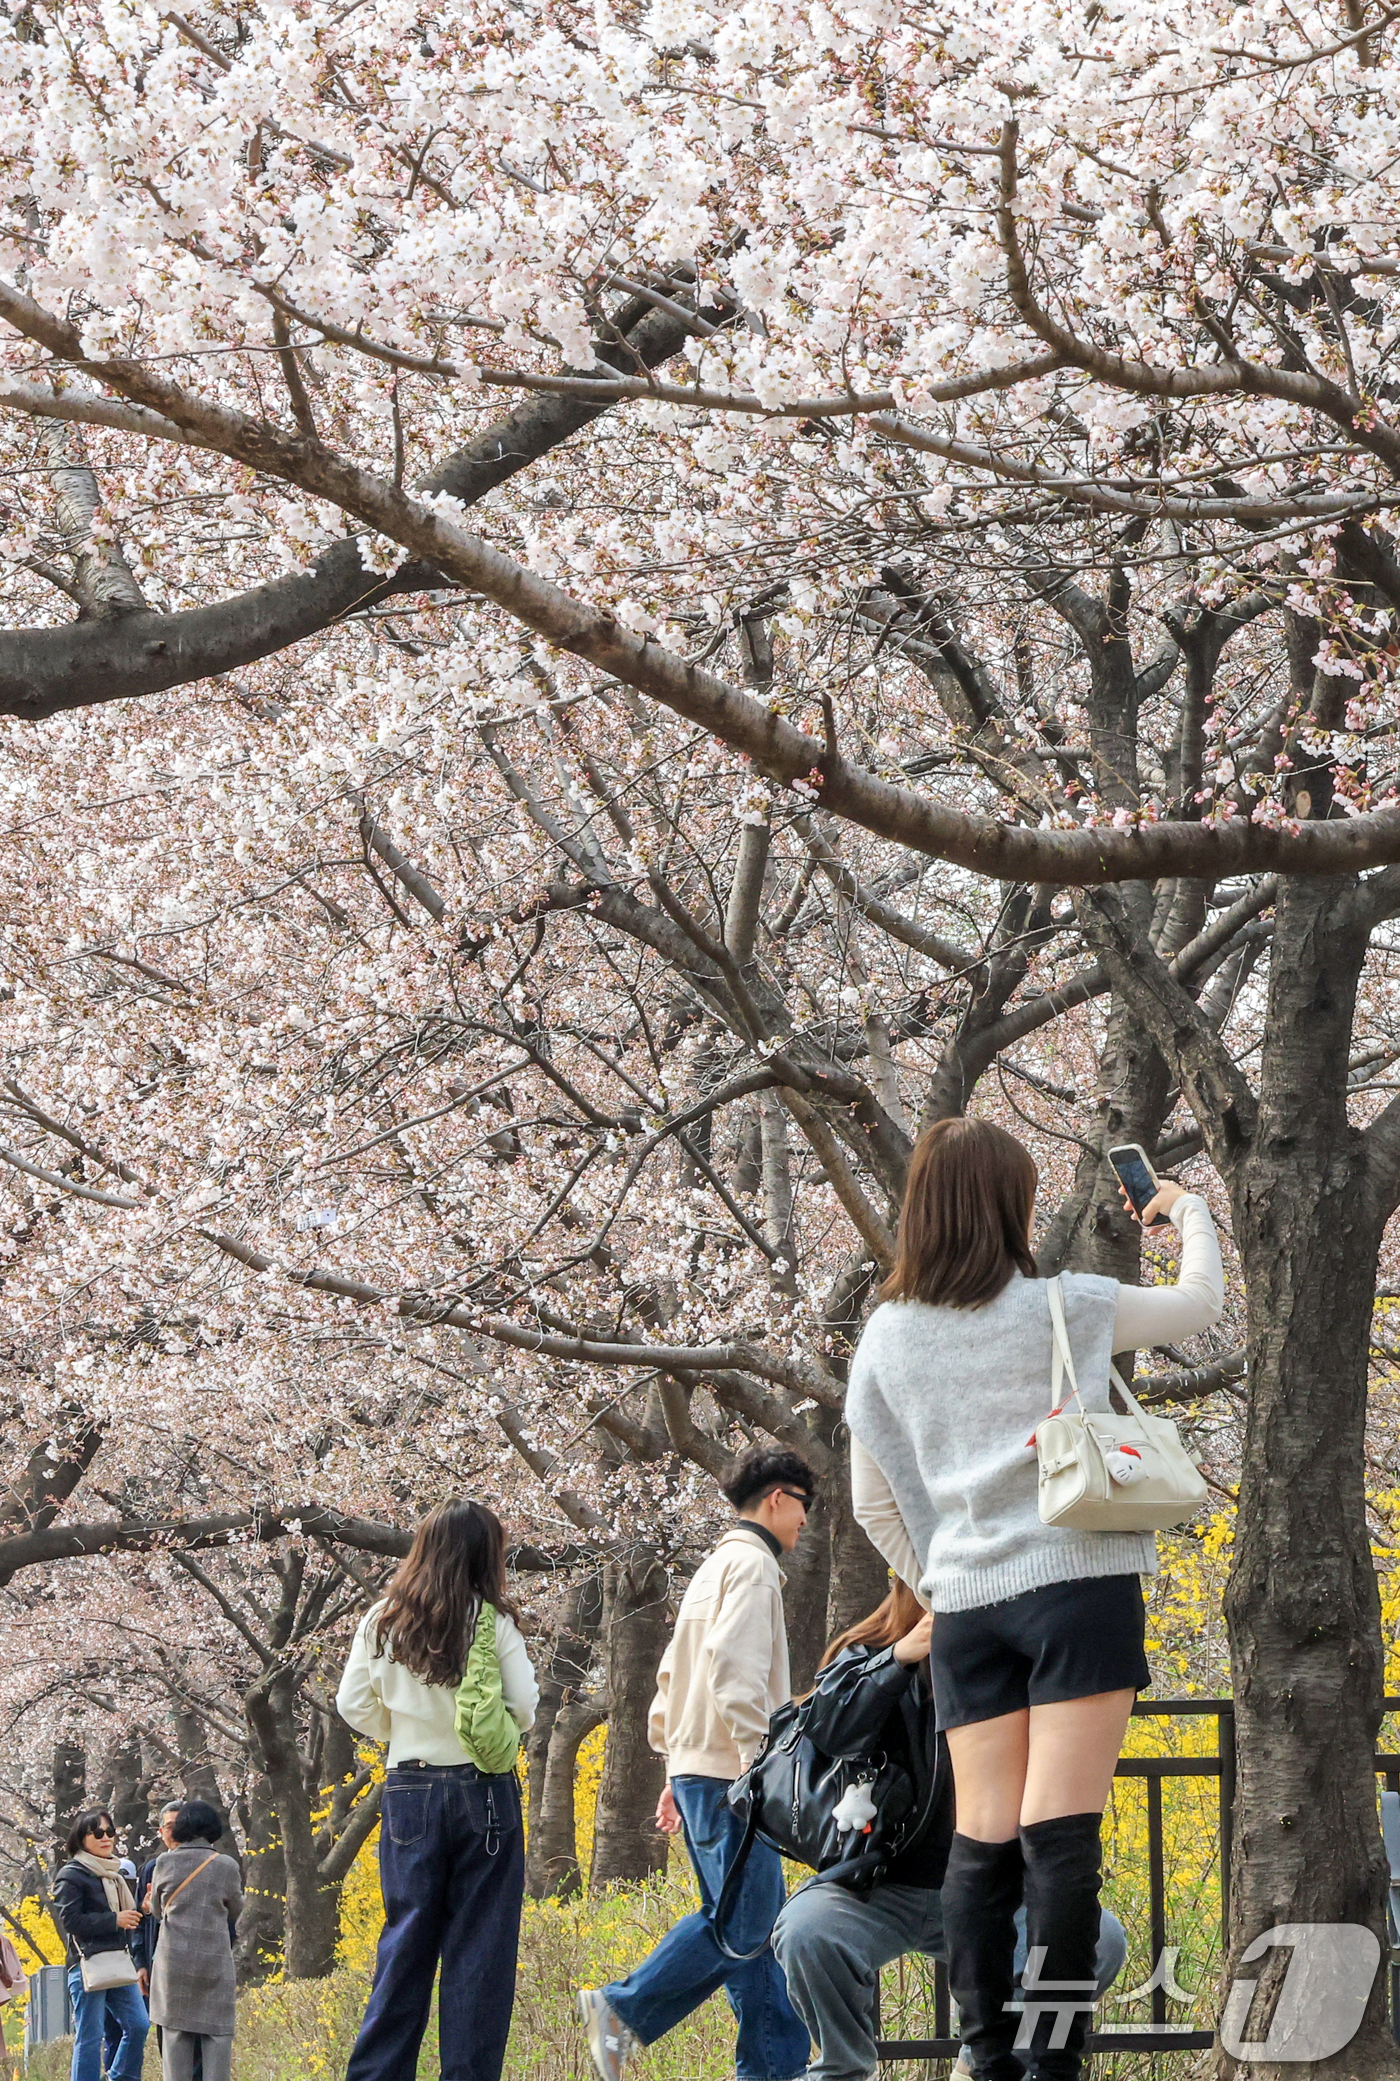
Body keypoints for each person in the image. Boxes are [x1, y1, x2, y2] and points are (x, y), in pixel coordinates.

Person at [845, 1117, 1224, 2081]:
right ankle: (1053, 2063)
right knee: (1060, 1842)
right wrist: (1186, 1208)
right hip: (1079, 1589)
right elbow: (1200, 1302)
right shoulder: (1067, 1304)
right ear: (1010, 1206)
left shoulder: (885, 1337)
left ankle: (986, 2061)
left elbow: (870, 1499)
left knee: (981, 1841)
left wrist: (944, 1579)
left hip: (970, 1610)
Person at [772, 1582, 1129, 2081]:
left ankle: (988, 2062)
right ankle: (844, 2069)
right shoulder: (868, 1652)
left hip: (992, 1887)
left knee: (1102, 1940)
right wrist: (898, 1659)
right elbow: (827, 1729)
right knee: (806, 1931)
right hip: (876, 1885)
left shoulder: (1018, 1656)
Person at [577, 1446, 817, 2081]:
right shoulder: (754, 1566)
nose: (805, 1521)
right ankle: (622, 2010)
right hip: (729, 1771)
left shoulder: (714, 1566)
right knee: (745, 1924)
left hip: (699, 1767)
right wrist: (757, 1765)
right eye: (804, 1506)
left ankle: (774, 2068)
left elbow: (672, 1676)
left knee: (751, 1928)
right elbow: (735, 1674)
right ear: (777, 1499)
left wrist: (674, 1771)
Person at [336, 1497, 539, 2081]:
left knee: (405, 1944)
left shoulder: (383, 1619)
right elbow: (525, 1708)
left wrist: (402, 1728)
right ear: (485, 1554)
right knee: (481, 1951)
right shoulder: (492, 1621)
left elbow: (352, 1703)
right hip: (484, 1793)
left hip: (410, 1789)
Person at [147, 1800, 243, 2081]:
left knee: (175, 2037)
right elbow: (236, 1910)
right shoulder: (226, 1865)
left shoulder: (165, 1862)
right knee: (217, 2038)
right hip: (214, 1964)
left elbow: (156, 1910)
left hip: (173, 1964)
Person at [51, 1807, 149, 2081]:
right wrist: (114, 1920)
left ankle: (118, 2077)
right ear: (82, 1839)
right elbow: (71, 1921)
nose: (106, 1838)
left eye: (110, 1832)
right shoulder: (71, 1875)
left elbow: (127, 1919)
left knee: (139, 2025)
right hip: (88, 1965)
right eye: (97, 1833)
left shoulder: (115, 1874)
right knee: (90, 2036)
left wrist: (142, 1911)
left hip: (118, 1961)